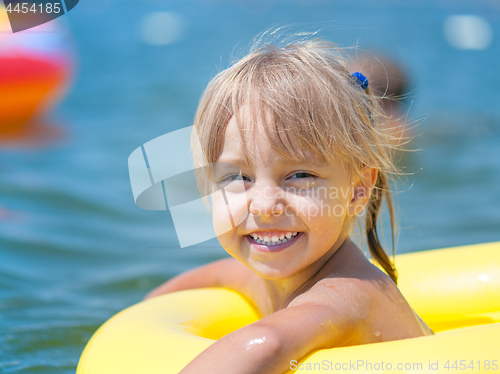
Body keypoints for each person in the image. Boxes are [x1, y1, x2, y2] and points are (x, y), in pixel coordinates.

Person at [144, 38, 432, 374]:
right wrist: (147, 309)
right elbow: (220, 274)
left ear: (357, 190)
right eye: (237, 177)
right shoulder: (278, 276)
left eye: (299, 175)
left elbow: (267, 342)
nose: (266, 206)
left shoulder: (349, 295)